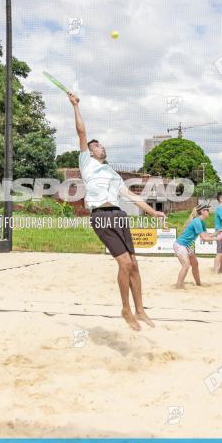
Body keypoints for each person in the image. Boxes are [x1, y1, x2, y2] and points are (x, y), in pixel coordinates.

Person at [68, 91, 166, 331]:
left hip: (119, 215)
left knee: (134, 263)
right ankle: (125, 309)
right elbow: (81, 132)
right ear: (90, 152)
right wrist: (75, 105)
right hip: (101, 216)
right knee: (123, 264)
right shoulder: (87, 163)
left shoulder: (113, 173)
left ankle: (140, 310)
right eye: (97, 145)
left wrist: (153, 213)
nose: (101, 147)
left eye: (101, 145)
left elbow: (132, 196)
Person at [174, 204, 219, 289]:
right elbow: (204, 239)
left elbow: (207, 235)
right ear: (202, 211)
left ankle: (199, 284)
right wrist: (217, 239)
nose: (209, 211)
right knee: (186, 265)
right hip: (180, 245)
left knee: (195, 264)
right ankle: (179, 286)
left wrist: (218, 232)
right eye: (207, 210)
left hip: (188, 245)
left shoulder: (202, 222)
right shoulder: (197, 221)